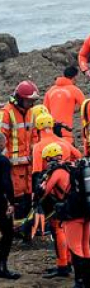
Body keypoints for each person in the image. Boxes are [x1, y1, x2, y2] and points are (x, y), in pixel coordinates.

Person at [31, 113, 81, 279]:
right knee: (67, 229)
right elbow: (79, 158)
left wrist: (36, 199)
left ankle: (62, 265)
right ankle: (68, 262)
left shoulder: (38, 147)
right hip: (71, 194)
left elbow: (37, 174)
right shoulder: (64, 142)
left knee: (58, 229)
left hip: (56, 195)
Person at [40, 143, 90, 288]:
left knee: (75, 247)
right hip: (87, 210)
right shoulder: (72, 167)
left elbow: (43, 193)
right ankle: (87, 283)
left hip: (73, 213)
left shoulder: (57, 172)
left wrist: (42, 183)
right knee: (85, 247)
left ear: (49, 158)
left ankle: (79, 283)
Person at [0, 81, 40, 219]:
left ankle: (24, 228)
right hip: (13, 166)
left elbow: (34, 135)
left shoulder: (30, 112)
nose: (31, 104)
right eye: (29, 101)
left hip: (28, 165)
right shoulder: (6, 113)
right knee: (16, 198)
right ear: (20, 98)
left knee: (28, 196)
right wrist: (6, 162)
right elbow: (1, 141)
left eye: (32, 101)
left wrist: (34, 153)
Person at [44, 66, 86, 145]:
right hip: (66, 132)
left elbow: (44, 111)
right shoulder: (75, 90)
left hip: (50, 132)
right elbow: (86, 107)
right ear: (75, 77)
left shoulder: (50, 91)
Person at [0, 134, 20, 280]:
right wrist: (11, 203)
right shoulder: (3, 161)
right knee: (7, 233)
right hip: (0, 202)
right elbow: (6, 183)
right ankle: (2, 267)